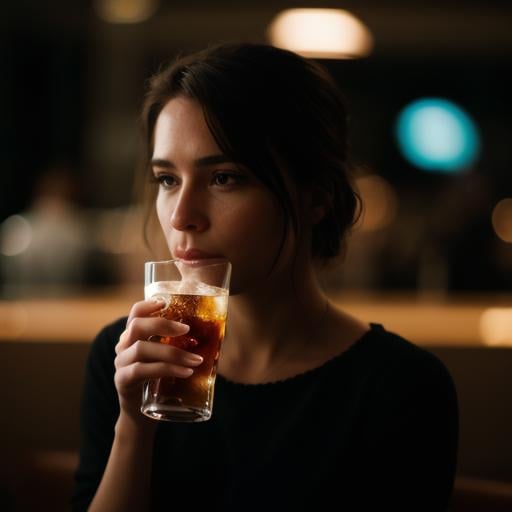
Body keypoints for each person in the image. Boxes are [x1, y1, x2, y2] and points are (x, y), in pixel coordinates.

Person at [72, 43, 458, 511]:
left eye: (224, 179)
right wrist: (133, 425)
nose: (182, 217)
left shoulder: (400, 388)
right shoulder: (129, 361)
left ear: (316, 198)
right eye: (168, 180)